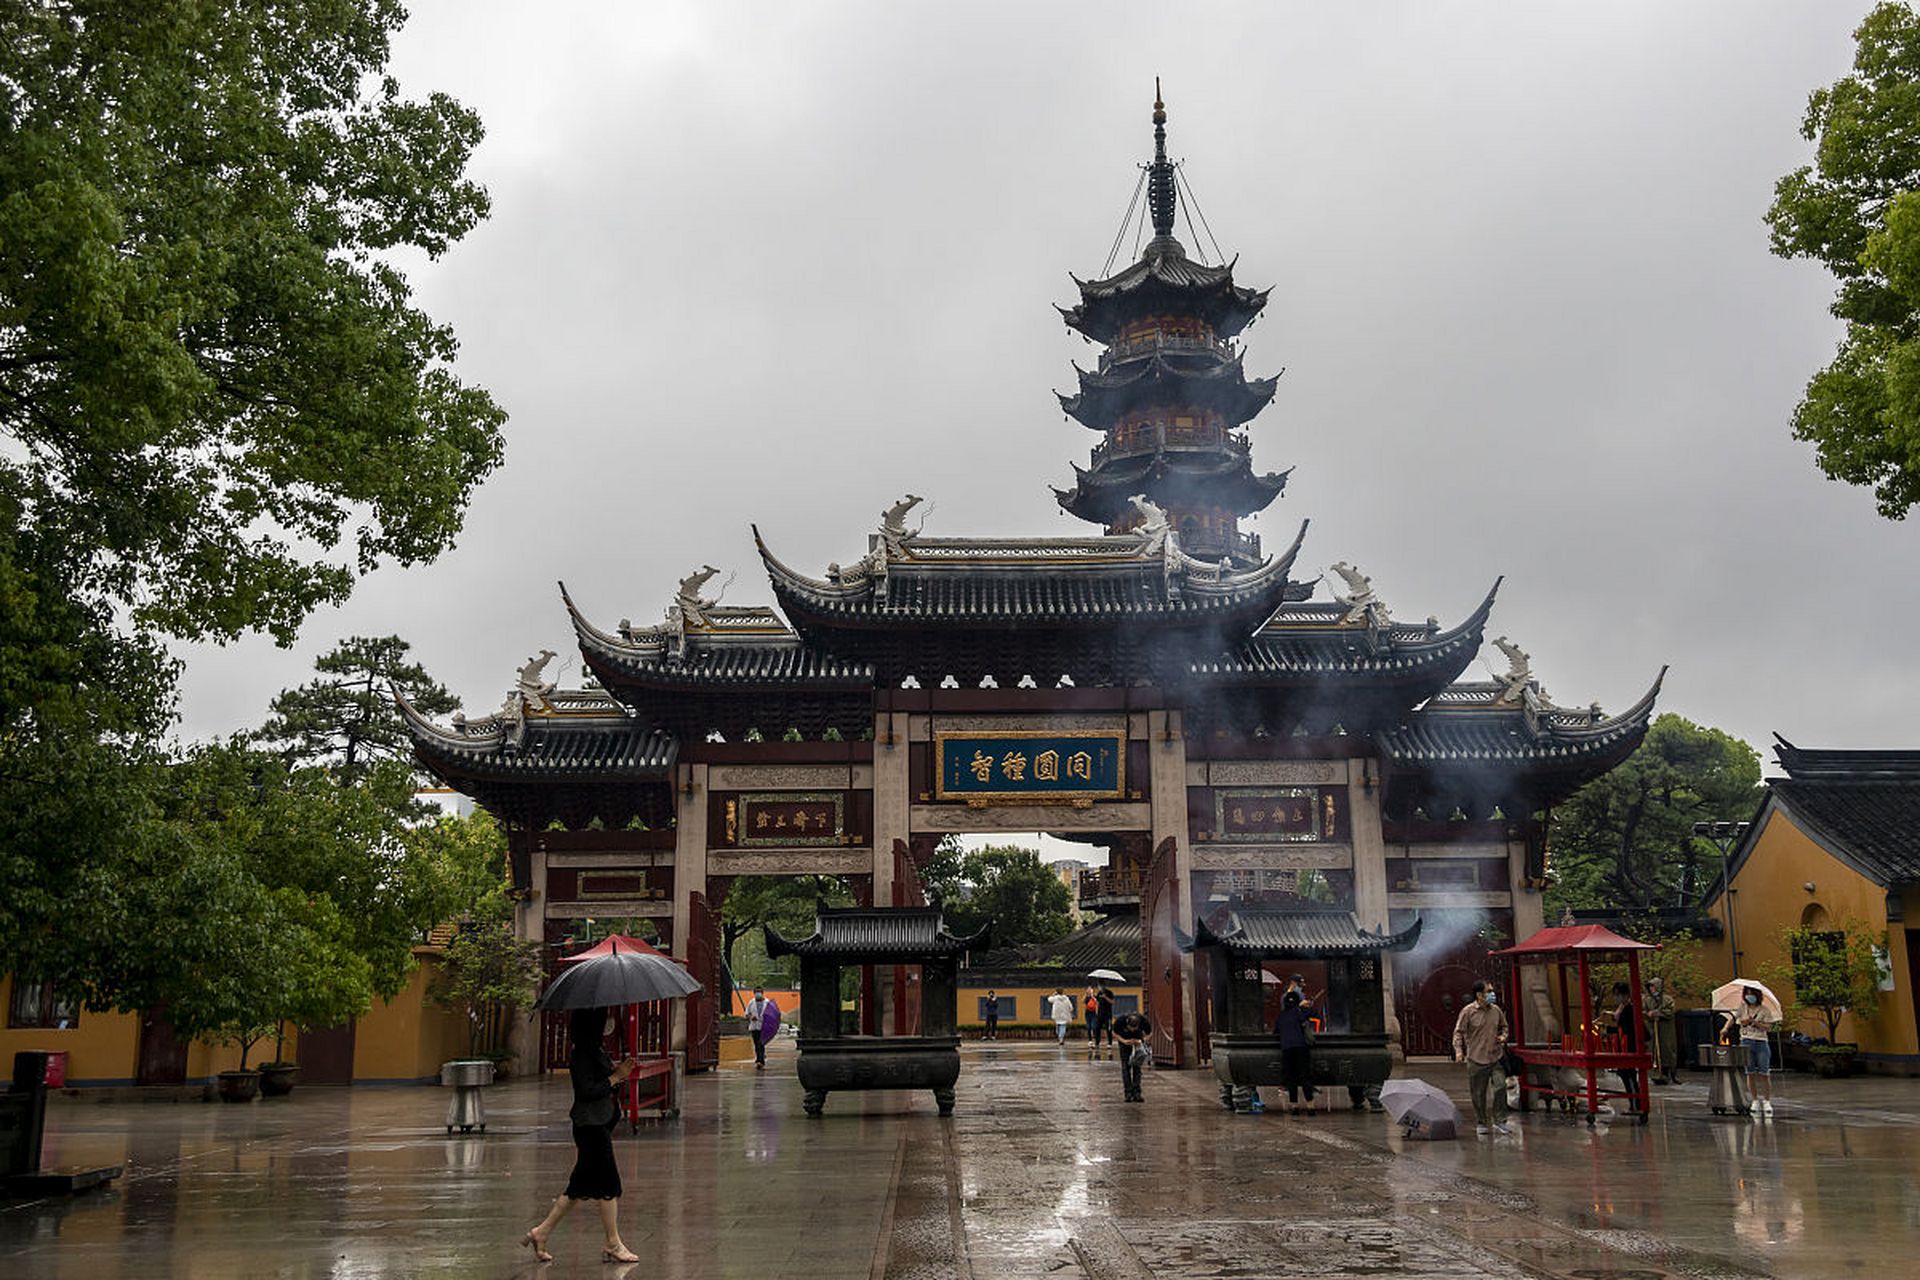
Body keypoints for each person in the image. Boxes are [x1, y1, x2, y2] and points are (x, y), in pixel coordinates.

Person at [521, 1007, 642, 1264]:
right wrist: (615, 1077)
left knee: (579, 1186)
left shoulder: (596, 1051)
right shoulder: (581, 1056)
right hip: (591, 1127)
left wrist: (619, 1073)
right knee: (608, 1185)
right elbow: (587, 1091)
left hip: (599, 1124)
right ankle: (613, 1243)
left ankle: (541, 1232)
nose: (607, 1024)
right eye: (602, 1020)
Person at [1451, 980, 1511, 1136]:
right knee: (1478, 1093)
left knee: (1500, 1087)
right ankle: (1482, 1122)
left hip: (1495, 1056)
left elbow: (1504, 1027)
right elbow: (1458, 1032)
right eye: (1488, 991)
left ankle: (1500, 1120)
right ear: (1479, 995)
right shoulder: (1468, 1012)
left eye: (1492, 991)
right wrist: (1459, 1051)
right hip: (1476, 1058)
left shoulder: (1496, 1010)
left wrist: (1503, 1037)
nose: (1492, 994)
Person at [1734, 984, 1780, 1118]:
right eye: (1747, 994)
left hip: (1761, 1042)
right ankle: (1754, 1100)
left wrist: (1757, 1023)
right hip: (1746, 1040)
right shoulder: (1742, 1008)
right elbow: (1736, 1020)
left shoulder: (1765, 1010)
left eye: (1752, 994)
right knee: (1750, 1072)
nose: (1750, 997)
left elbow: (1768, 1027)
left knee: (1764, 1072)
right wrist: (1744, 1021)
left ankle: (1766, 1100)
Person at [1273, 989, 1317, 1114]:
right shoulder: (1300, 1012)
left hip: (1287, 1049)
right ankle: (1310, 1106)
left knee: (1291, 1078)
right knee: (1305, 1077)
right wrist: (1305, 1006)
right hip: (1301, 1047)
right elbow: (1314, 1013)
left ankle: (1294, 1106)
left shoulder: (1281, 1016)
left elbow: (1276, 1031)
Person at [1603, 981, 1642, 1110]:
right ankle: (1633, 1103)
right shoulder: (1622, 1008)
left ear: (1624, 994)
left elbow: (1626, 1029)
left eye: (1617, 994)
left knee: (1629, 1074)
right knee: (1625, 1074)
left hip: (1629, 1045)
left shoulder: (1629, 1009)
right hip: (1622, 1044)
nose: (1616, 997)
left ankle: (1636, 1104)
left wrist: (1609, 1030)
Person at [1112, 1006, 1152, 1102]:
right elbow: (1114, 1033)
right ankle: (1128, 1093)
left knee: (1137, 1067)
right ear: (1127, 1024)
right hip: (1124, 1042)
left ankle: (1137, 1093)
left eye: (1135, 1028)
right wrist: (1124, 1041)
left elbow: (1149, 1033)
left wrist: (1142, 1041)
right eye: (1131, 1028)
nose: (1133, 1030)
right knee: (1125, 1067)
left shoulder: (1143, 1021)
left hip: (1138, 1043)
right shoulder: (1120, 1021)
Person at [1644, 976, 1678, 1084]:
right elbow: (1643, 1011)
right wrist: (1648, 1014)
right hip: (1653, 1029)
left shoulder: (1667, 999)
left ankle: (1670, 1073)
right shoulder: (1647, 1000)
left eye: (1653, 987)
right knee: (1654, 1050)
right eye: (1650, 987)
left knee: (1667, 1050)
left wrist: (1658, 1013)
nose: (1651, 989)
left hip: (1665, 1030)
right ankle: (1658, 1072)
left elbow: (1670, 1011)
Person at [743, 987, 777, 1069]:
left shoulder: (767, 1002)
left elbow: (772, 1014)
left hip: (764, 1027)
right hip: (754, 1027)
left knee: (760, 1044)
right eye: (756, 992)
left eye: (759, 992)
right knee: (756, 1044)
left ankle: (760, 1061)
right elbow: (747, 1013)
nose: (758, 994)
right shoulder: (751, 1002)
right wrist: (751, 1017)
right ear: (754, 993)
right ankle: (759, 1058)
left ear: (762, 993)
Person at [1094, 985, 1116, 1057]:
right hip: (1100, 1014)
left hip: (1108, 1014)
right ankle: (1097, 1043)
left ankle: (1109, 1043)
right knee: (1097, 1028)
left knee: (1108, 1028)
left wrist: (1105, 997)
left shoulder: (1109, 992)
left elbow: (1112, 1002)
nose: (1099, 987)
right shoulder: (1099, 993)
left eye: (1100, 986)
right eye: (1099, 986)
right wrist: (1096, 1012)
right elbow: (1097, 1002)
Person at [1082, 983, 1101, 1056]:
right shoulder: (1086, 997)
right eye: (1088, 989)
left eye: (1090, 989)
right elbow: (1083, 1001)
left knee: (1094, 1027)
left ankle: (1096, 1040)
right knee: (1089, 1027)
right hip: (1087, 1013)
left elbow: (1097, 1003)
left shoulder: (1094, 997)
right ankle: (1090, 1041)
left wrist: (1093, 997)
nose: (1089, 990)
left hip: (1094, 1013)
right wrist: (1086, 995)